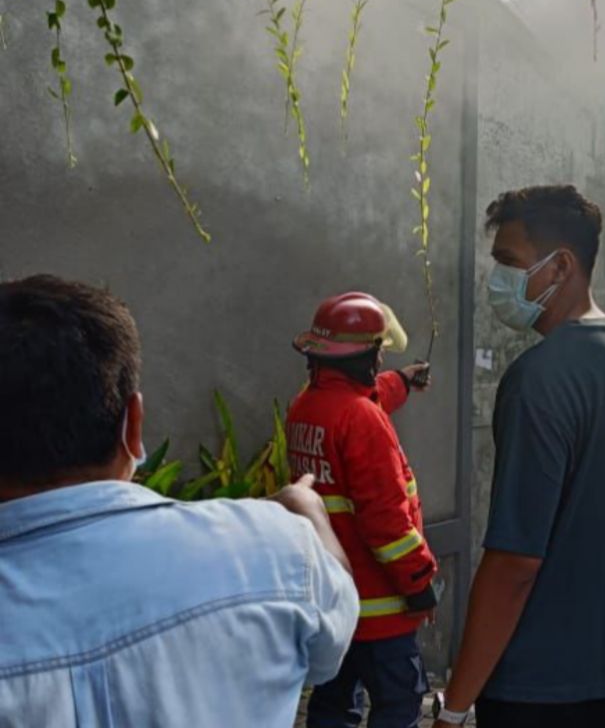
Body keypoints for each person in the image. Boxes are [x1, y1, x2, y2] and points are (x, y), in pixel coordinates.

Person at [0, 274, 358, 728]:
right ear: (134, 422)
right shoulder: (275, 550)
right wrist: (310, 518)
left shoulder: (311, 406)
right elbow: (333, 640)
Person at [432, 185, 605, 728]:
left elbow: (515, 562)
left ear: (561, 266)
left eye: (508, 263)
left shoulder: (538, 379)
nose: (497, 281)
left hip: (542, 689)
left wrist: (456, 706)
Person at [288, 291, 440, 728]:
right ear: (367, 356)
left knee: (334, 705)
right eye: (378, 351)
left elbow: (364, 399)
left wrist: (403, 381)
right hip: (382, 609)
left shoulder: (307, 407)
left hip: (336, 605)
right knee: (399, 704)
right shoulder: (363, 421)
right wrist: (419, 582)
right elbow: (386, 521)